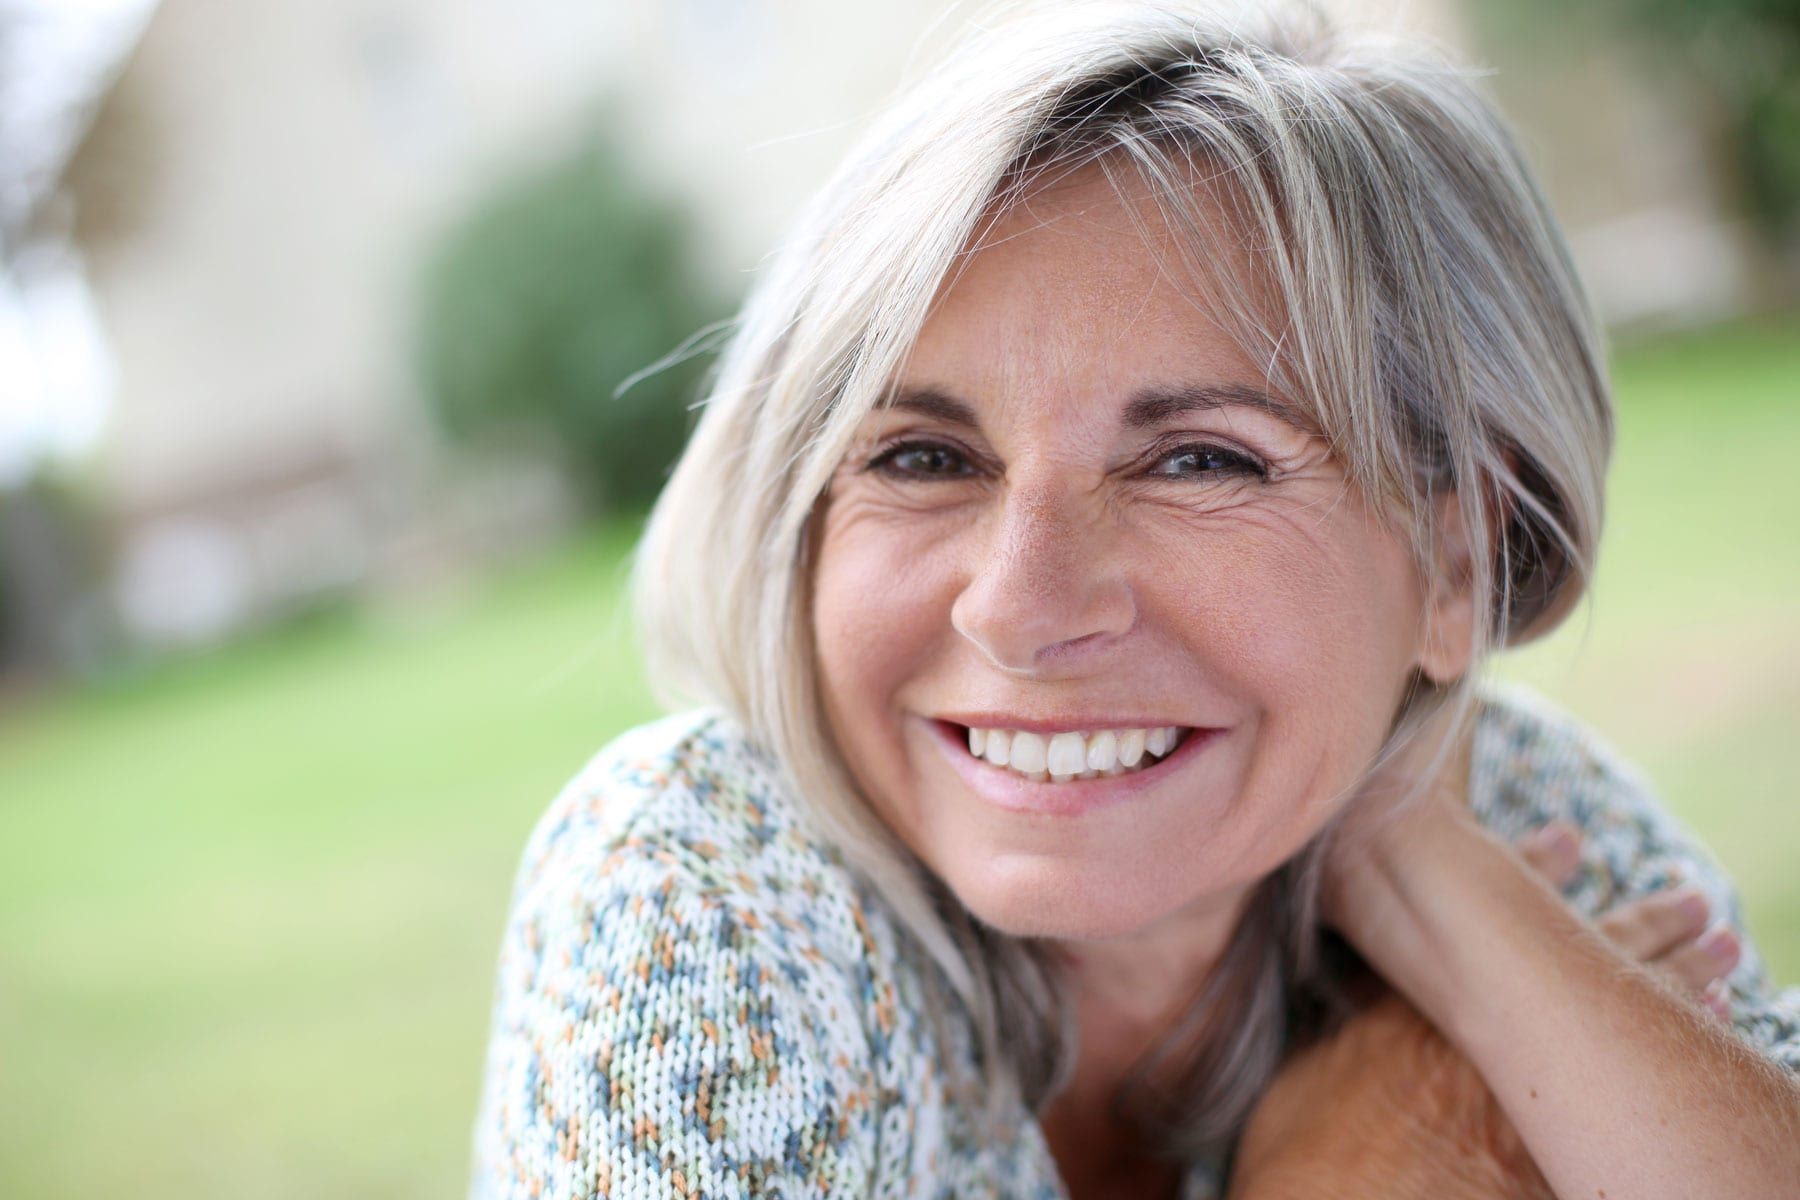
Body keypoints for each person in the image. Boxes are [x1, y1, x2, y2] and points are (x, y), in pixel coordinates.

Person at [466, 3, 1800, 1197]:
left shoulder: (1521, 811)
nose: (1018, 606)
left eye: (1199, 460)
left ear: (1455, 562)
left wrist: (1425, 881)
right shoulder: (708, 891)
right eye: (926, 458)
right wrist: (1365, 1163)